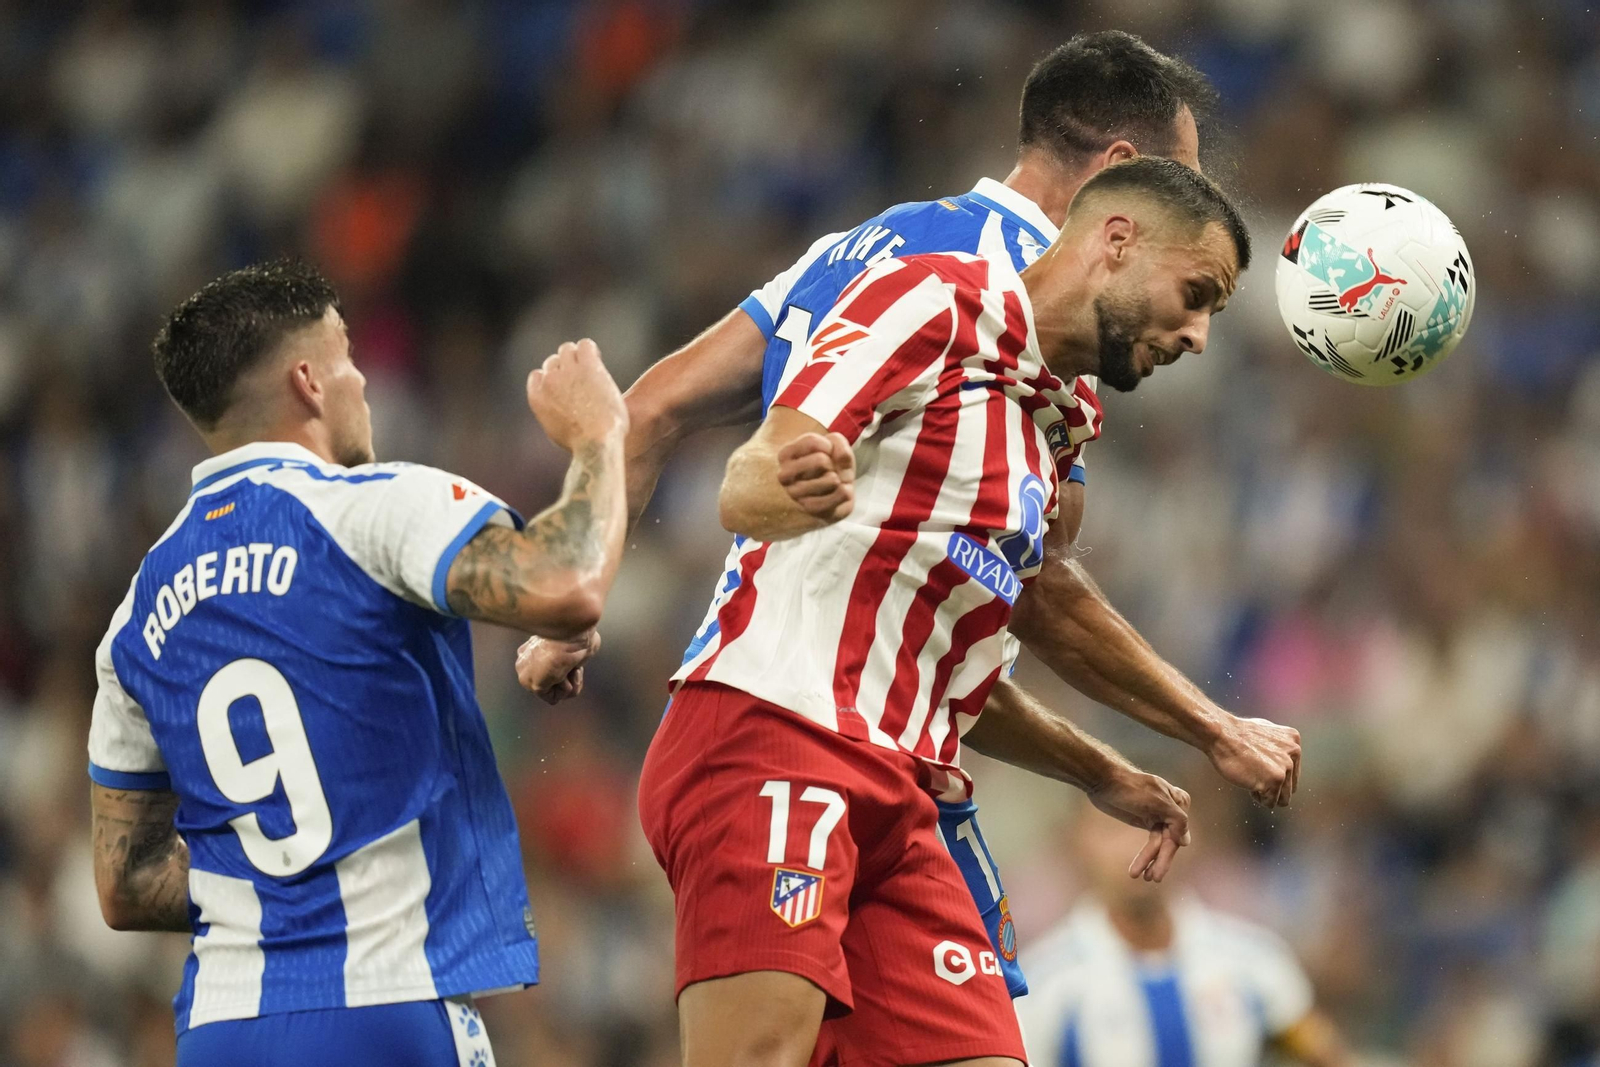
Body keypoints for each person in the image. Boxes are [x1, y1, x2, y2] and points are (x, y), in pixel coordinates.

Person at [519, 29, 1300, 1004]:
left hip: (896, 728)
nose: (1199, 215)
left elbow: (652, 408)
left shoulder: (871, 239)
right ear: (1123, 186)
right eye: (1185, 189)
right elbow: (1032, 580)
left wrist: (572, 601)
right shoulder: (999, 293)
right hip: (798, 721)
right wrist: (1208, 722)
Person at [638, 156, 1253, 1067]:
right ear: (1117, 241)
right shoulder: (930, 299)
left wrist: (1098, 769)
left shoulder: (1058, 420)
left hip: (903, 791)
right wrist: (800, 482)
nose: (1199, 334)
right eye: (1196, 293)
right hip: (772, 733)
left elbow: (946, 664)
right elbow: (748, 481)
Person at [85, 260, 630, 1067]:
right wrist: (599, 435)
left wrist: (269, 893)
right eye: (349, 356)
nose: (364, 380)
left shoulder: (135, 617)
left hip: (222, 1031)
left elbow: (123, 884)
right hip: (388, 1007)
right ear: (309, 380)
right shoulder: (370, 507)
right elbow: (568, 581)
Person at [1017, 813, 1352, 1067]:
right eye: (1112, 829)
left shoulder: (1253, 959)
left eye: (1153, 828)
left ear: (1189, 836)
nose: (1134, 849)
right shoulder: (1041, 982)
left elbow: (1325, 1053)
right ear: (1078, 844)